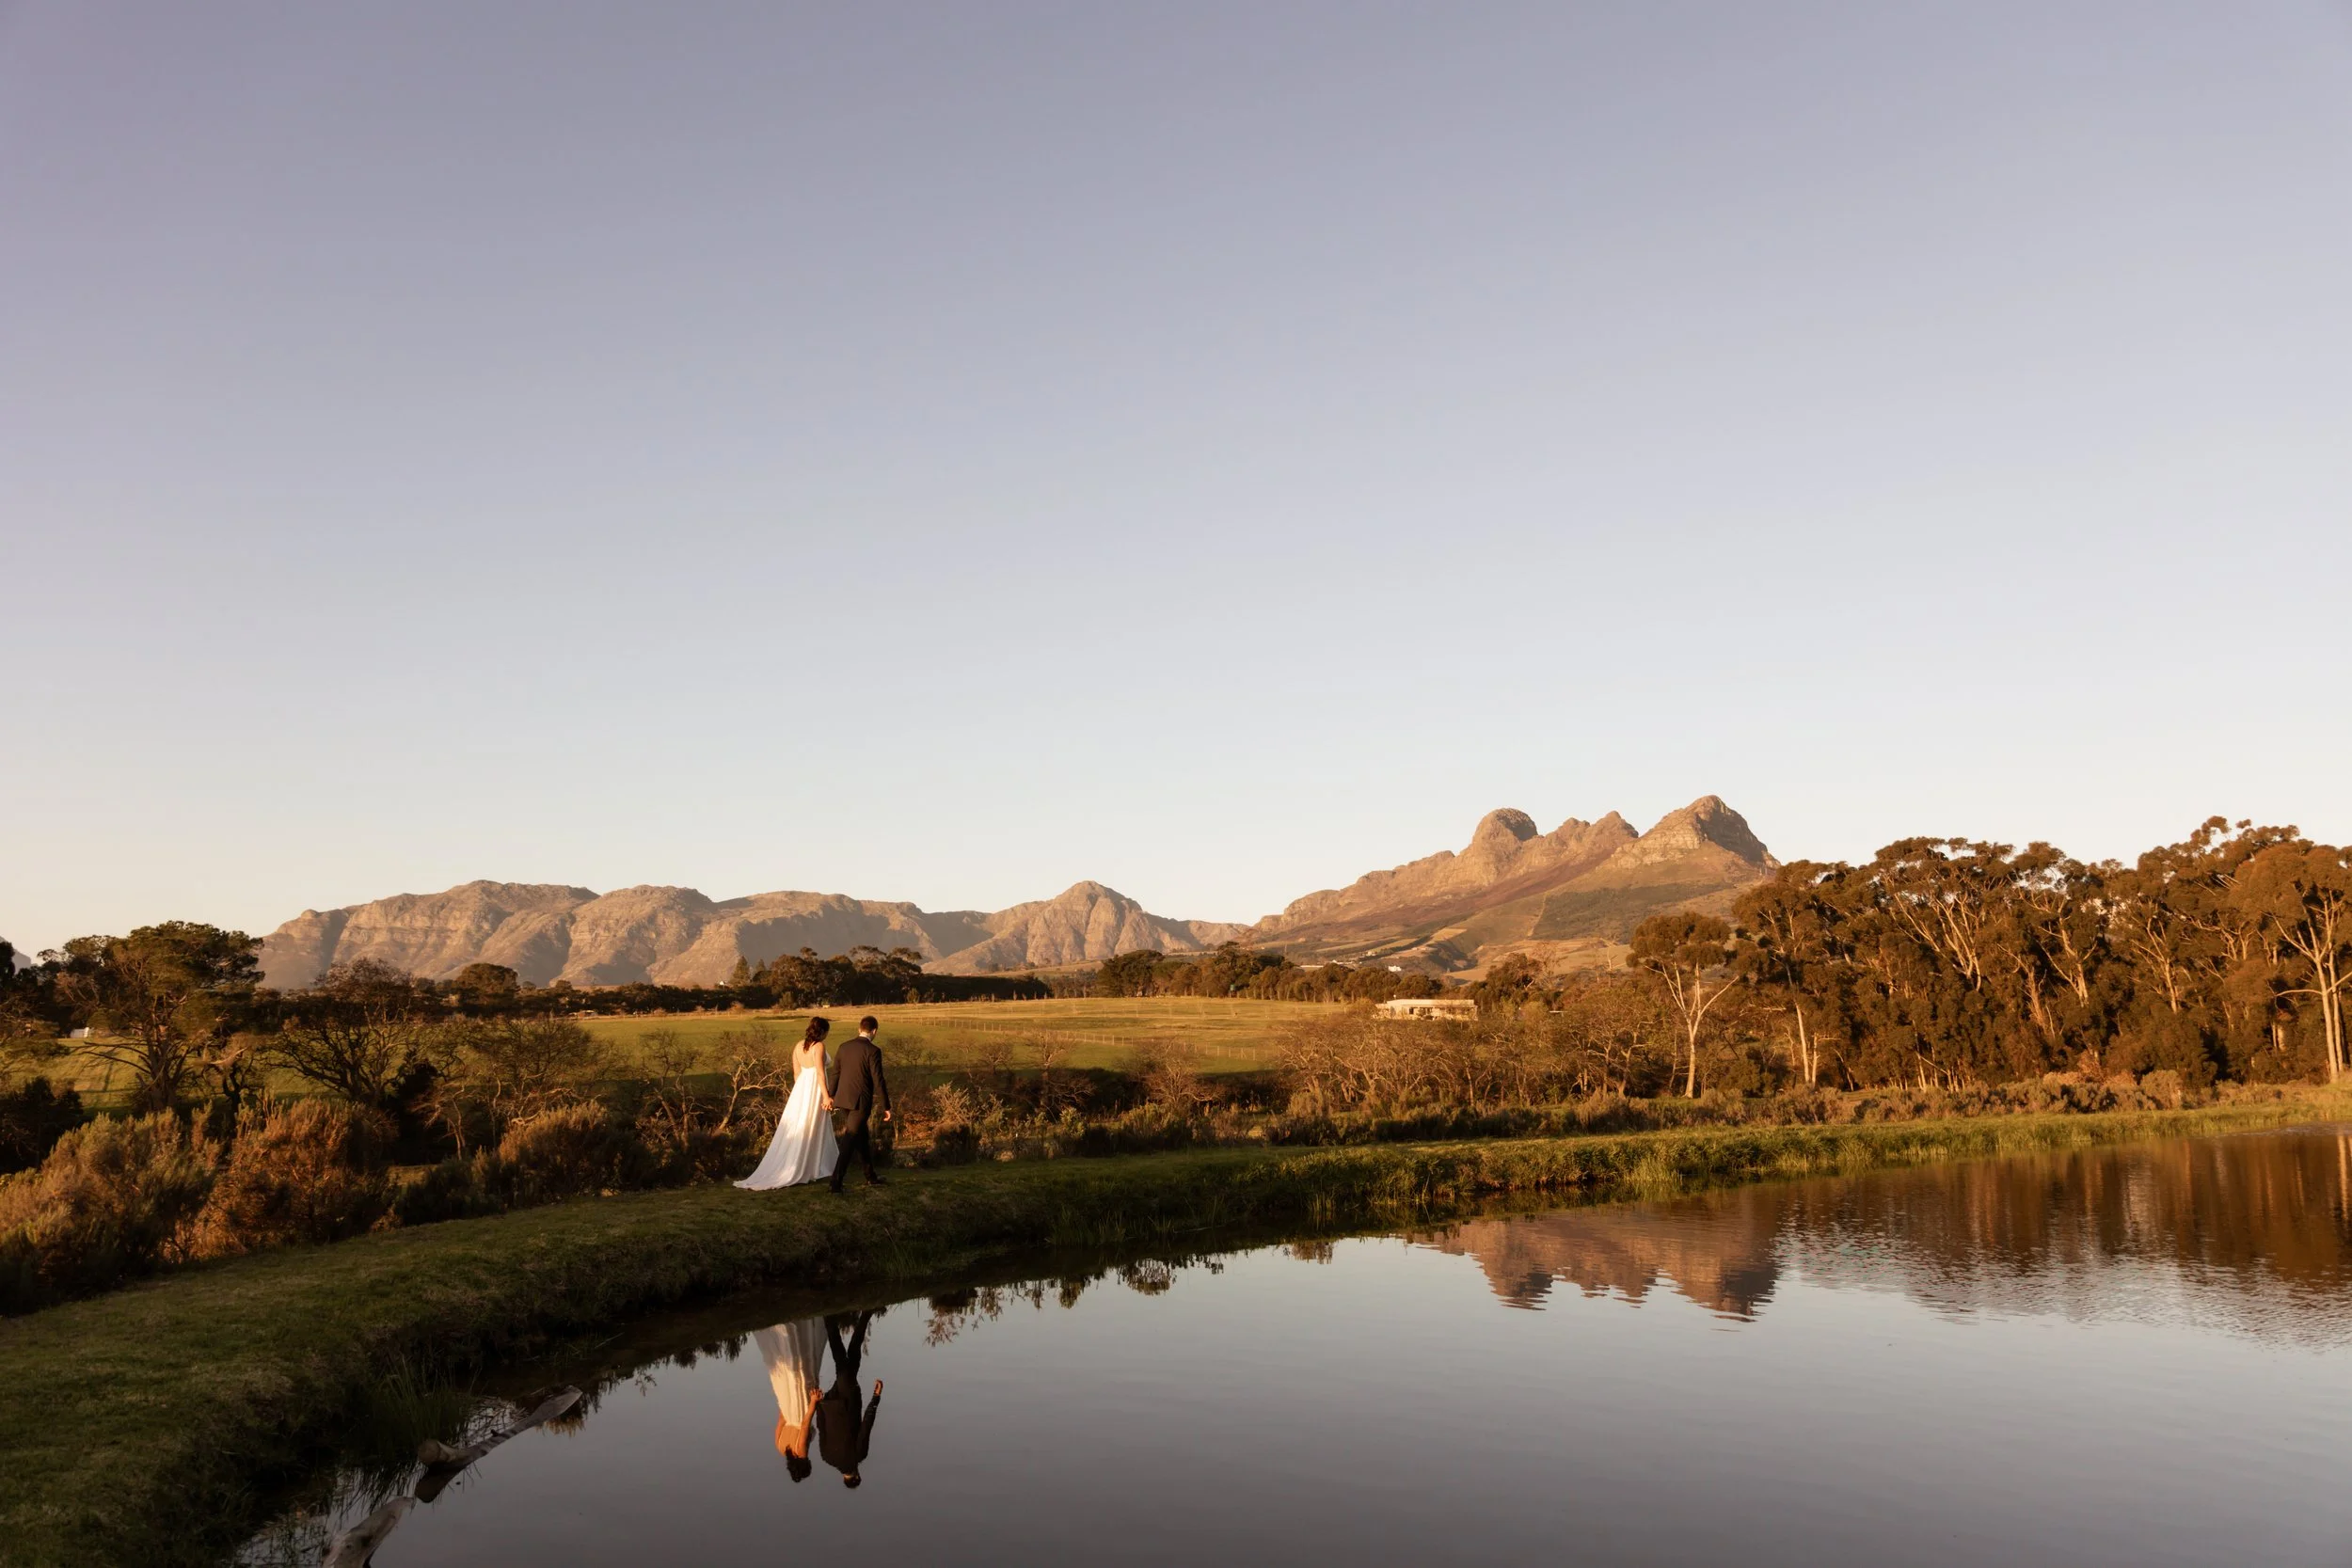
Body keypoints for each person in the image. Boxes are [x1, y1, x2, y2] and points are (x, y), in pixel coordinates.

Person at [736, 1018, 840, 1190]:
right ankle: (810, 1166)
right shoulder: (819, 1046)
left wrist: (800, 1093)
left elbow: (796, 1073)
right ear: (823, 1032)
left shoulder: (798, 1046)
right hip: (814, 1088)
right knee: (812, 1124)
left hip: (801, 1090)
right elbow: (821, 1074)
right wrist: (826, 1096)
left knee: (802, 1124)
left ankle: (811, 1164)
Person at [753, 1316, 826, 1481]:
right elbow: (781, 1419)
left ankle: (801, 1331)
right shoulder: (779, 1447)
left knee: (804, 1375)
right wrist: (786, 1399)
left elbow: (805, 1426)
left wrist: (813, 1402)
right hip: (788, 1408)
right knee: (790, 1377)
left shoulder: (801, 1453)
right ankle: (786, 1337)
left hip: (801, 1413)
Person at [816, 1310, 883, 1487]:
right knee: (852, 1360)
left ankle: (829, 1315)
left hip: (848, 1400)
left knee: (842, 1362)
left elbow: (866, 1425)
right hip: (830, 1402)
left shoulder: (859, 1456)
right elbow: (821, 1426)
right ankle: (863, 1314)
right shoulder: (826, 1457)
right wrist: (818, 1404)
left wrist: (876, 1397)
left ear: (857, 1476)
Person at [826, 1014, 891, 1194]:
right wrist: (886, 1105)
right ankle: (835, 1183)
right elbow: (878, 1080)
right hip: (860, 1102)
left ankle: (871, 1177)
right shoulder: (873, 1051)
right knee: (850, 1139)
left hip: (842, 1100)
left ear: (859, 1029)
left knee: (861, 1138)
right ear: (874, 1031)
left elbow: (835, 1074)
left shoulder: (844, 1047)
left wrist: (831, 1095)